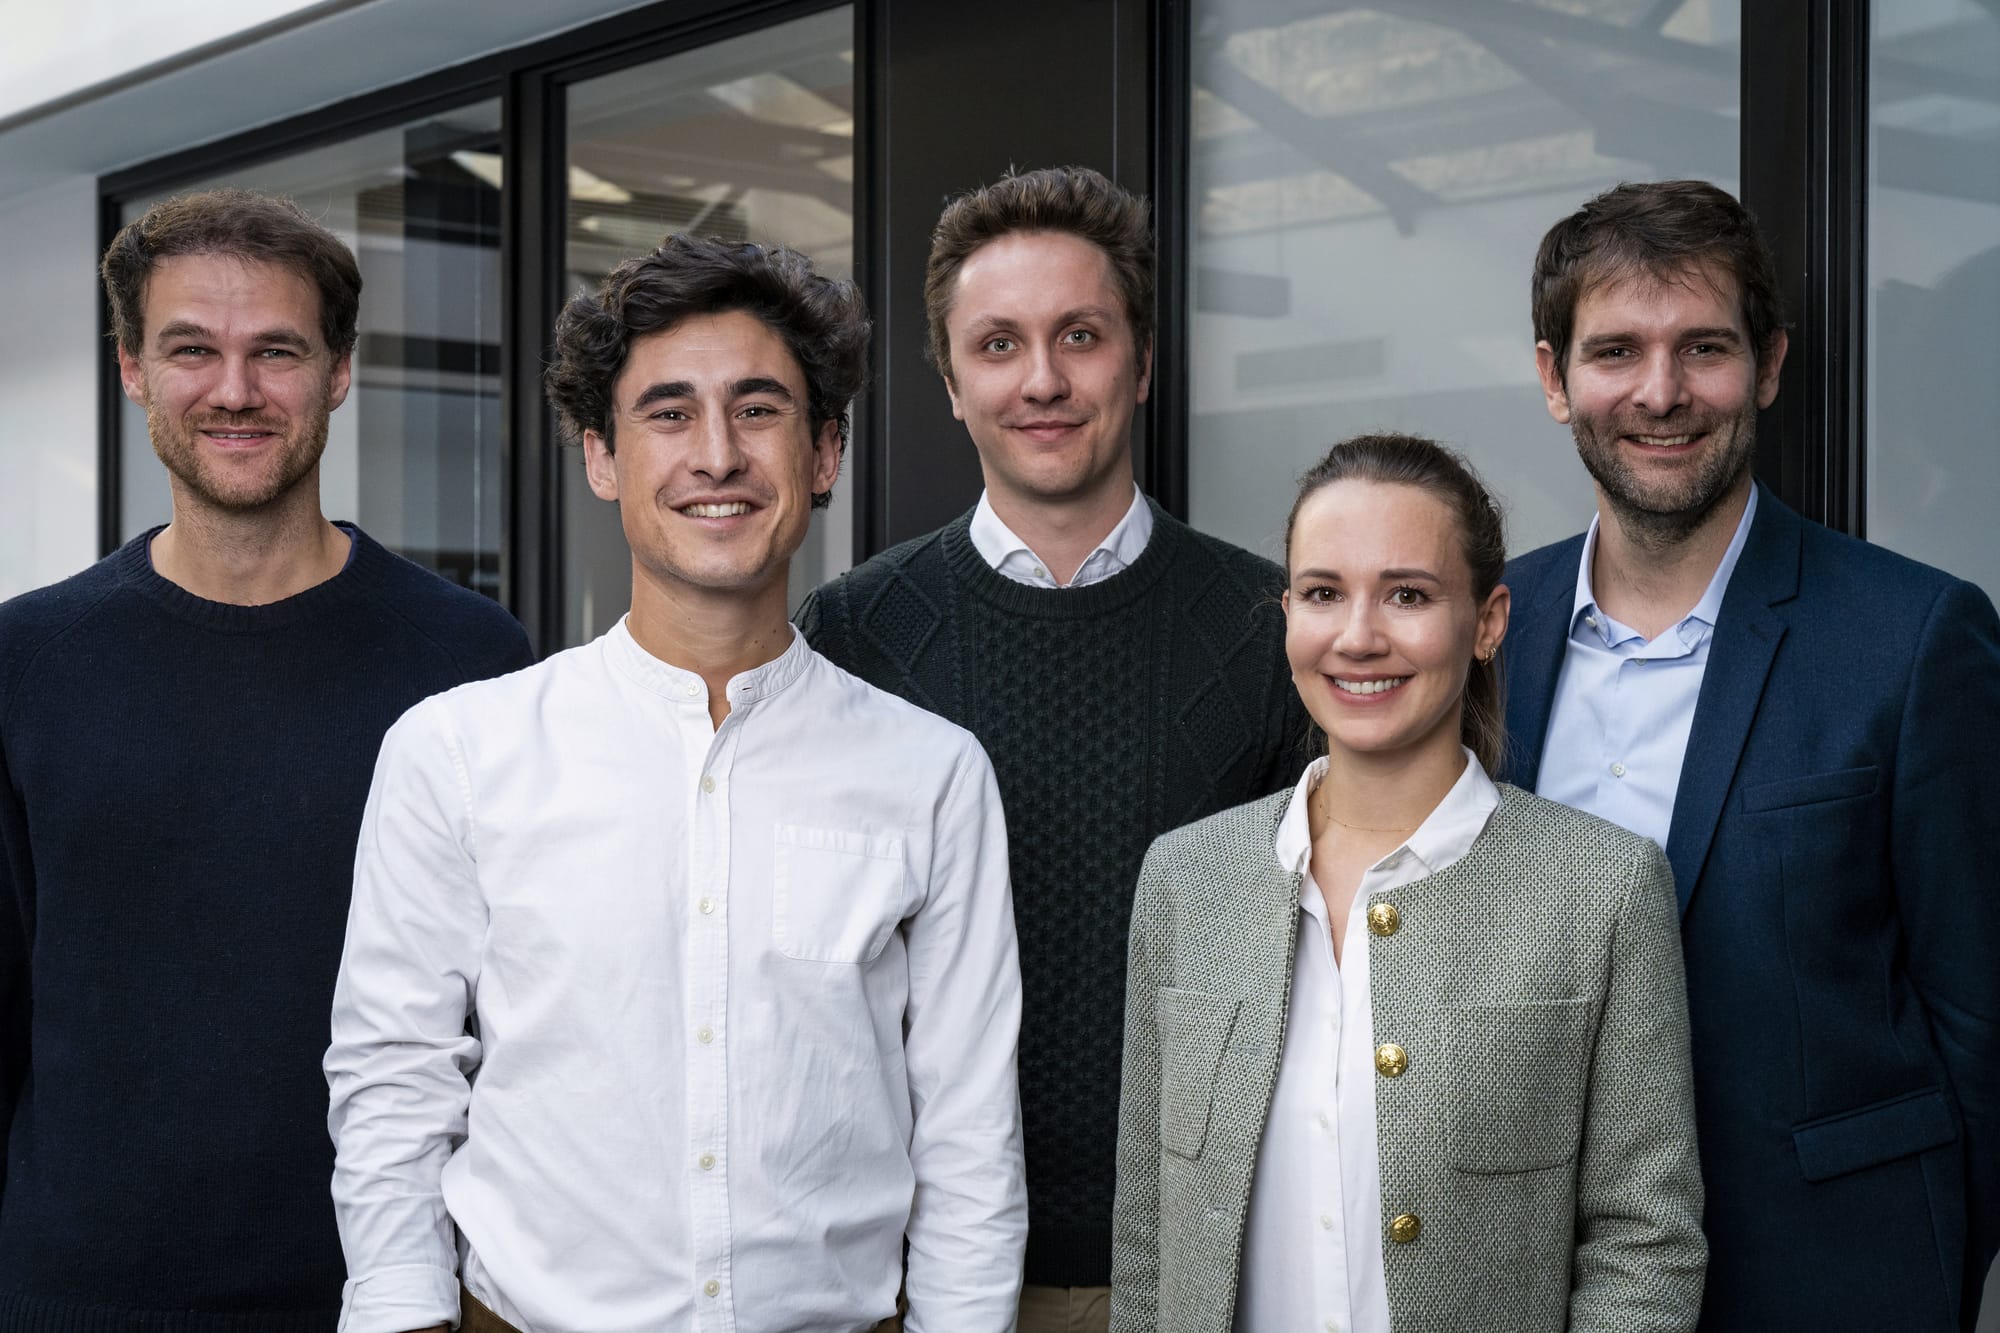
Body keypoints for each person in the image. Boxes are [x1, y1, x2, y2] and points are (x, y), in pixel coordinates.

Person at [325, 234, 1026, 1333]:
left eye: (758, 409)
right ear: (600, 456)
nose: (716, 455)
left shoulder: (930, 774)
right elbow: (393, 1086)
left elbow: (969, 1133)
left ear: (825, 450)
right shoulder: (458, 752)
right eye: (667, 413)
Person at [0, 189, 532, 1329]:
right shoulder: (24, 661)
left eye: (276, 351)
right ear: (133, 368)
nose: (234, 390)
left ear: (339, 371)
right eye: (192, 349)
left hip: (392, 1296)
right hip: (78, 1297)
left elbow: (516, 1020)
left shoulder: (474, 658)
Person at [796, 165, 1307, 1332]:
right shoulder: (851, 634)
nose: (1042, 380)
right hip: (917, 1273)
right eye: (998, 344)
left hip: (1203, 1265)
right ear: (948, 380)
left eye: (1079, 335)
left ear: (1140, 359)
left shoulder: (1272, 628)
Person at [1504, 179, 2000, 1332]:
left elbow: (1979, 1019)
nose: (1661, 393)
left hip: (1833, 1279)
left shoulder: (1915, 637)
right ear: (1551, 378)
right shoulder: (1487, 633)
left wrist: (1924, 1273)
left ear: (1767, 366)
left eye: (1704, 348)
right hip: (1544, 1281)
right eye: (1615, 350)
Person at [1110, 432, 1705, 1333]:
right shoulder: (1187, 880)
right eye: (1323, 593)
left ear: (1489, 620)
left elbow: (1645, 1244)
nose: (1359, 635)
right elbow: (1150, 1239)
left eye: (1408, 594)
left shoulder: (1603, 889)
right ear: (1287, 615)